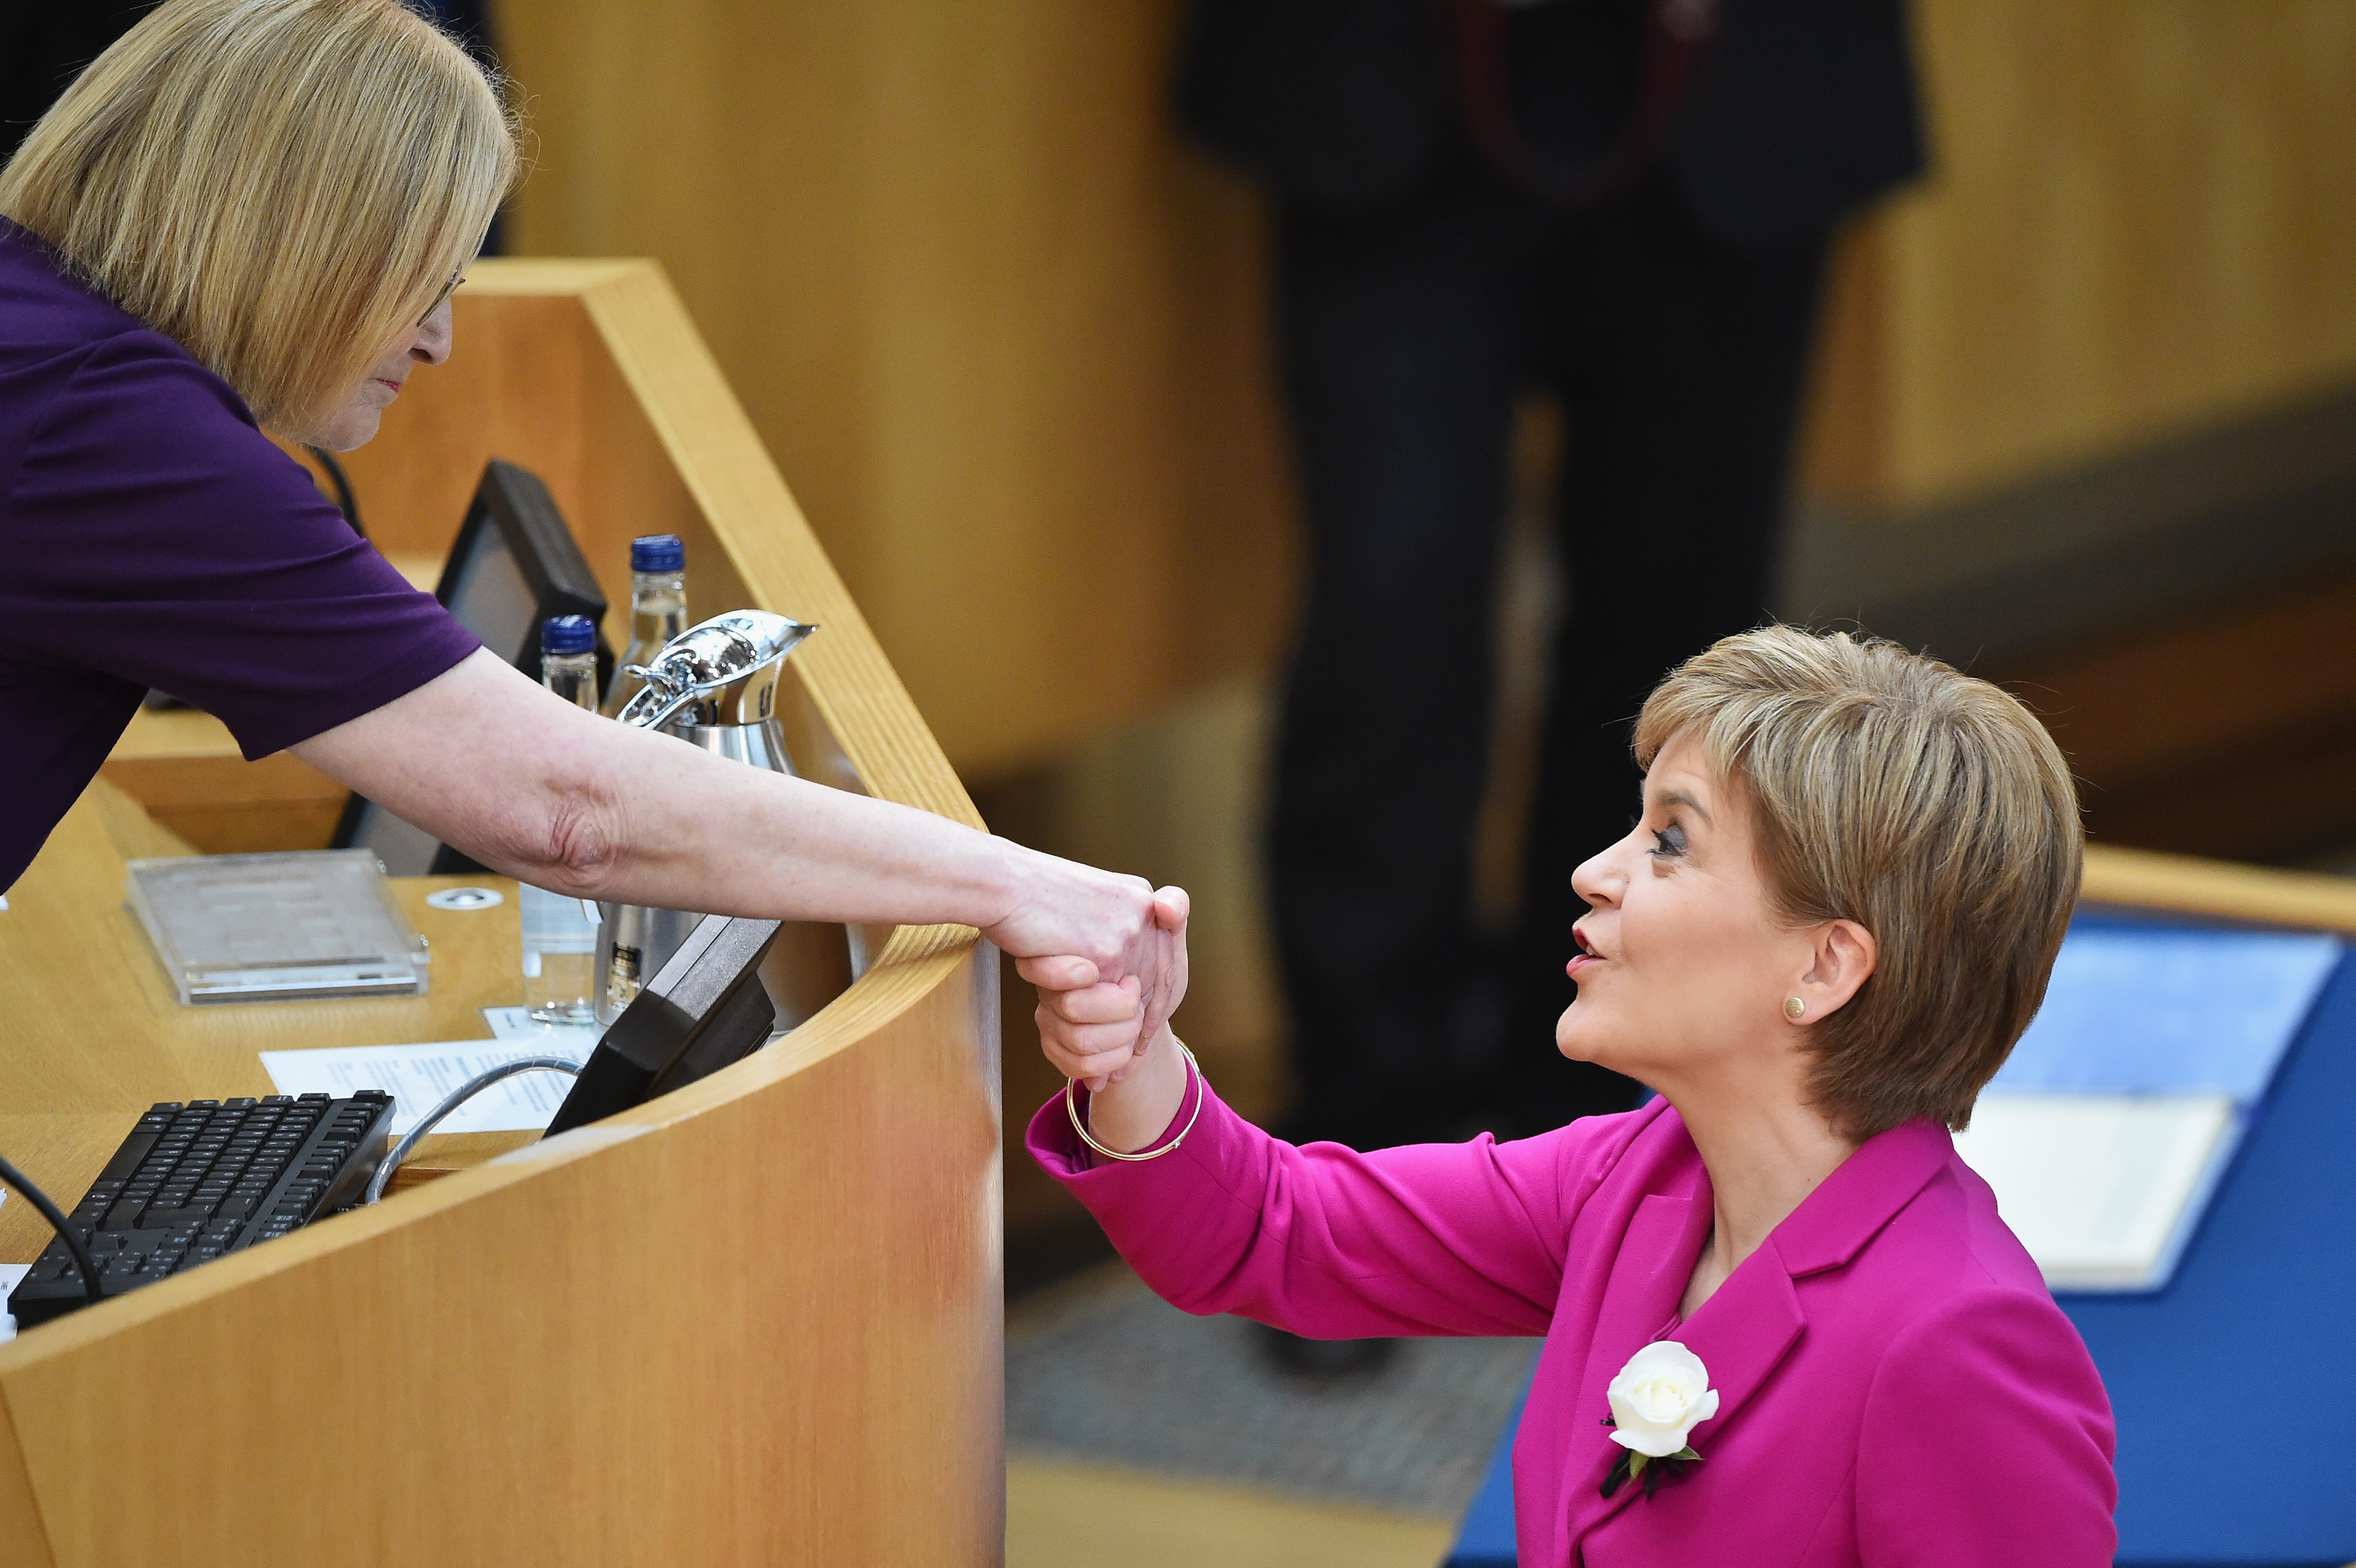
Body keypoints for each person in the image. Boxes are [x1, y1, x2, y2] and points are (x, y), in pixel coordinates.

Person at [0, 0, 1173, 1010]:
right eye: (428, 277)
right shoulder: (115, 429)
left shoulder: (38, 326)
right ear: (307, 242)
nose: (443, 338)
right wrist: (1020, 885)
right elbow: (569, 809)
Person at [1024, 627, 2117, 1564]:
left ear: (1824, 968)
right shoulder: (1630, 1178)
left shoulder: (1956, 1341)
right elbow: (1280, 1232)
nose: (1595, 870)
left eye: (1670, 843)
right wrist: (1134, 1048)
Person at [1178, 0, 1927, 1151]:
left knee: (1680, 659)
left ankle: (1611, 1120)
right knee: (1388, 641)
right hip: (1387, 89)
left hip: (1740, 89)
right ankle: (1364, 1152)